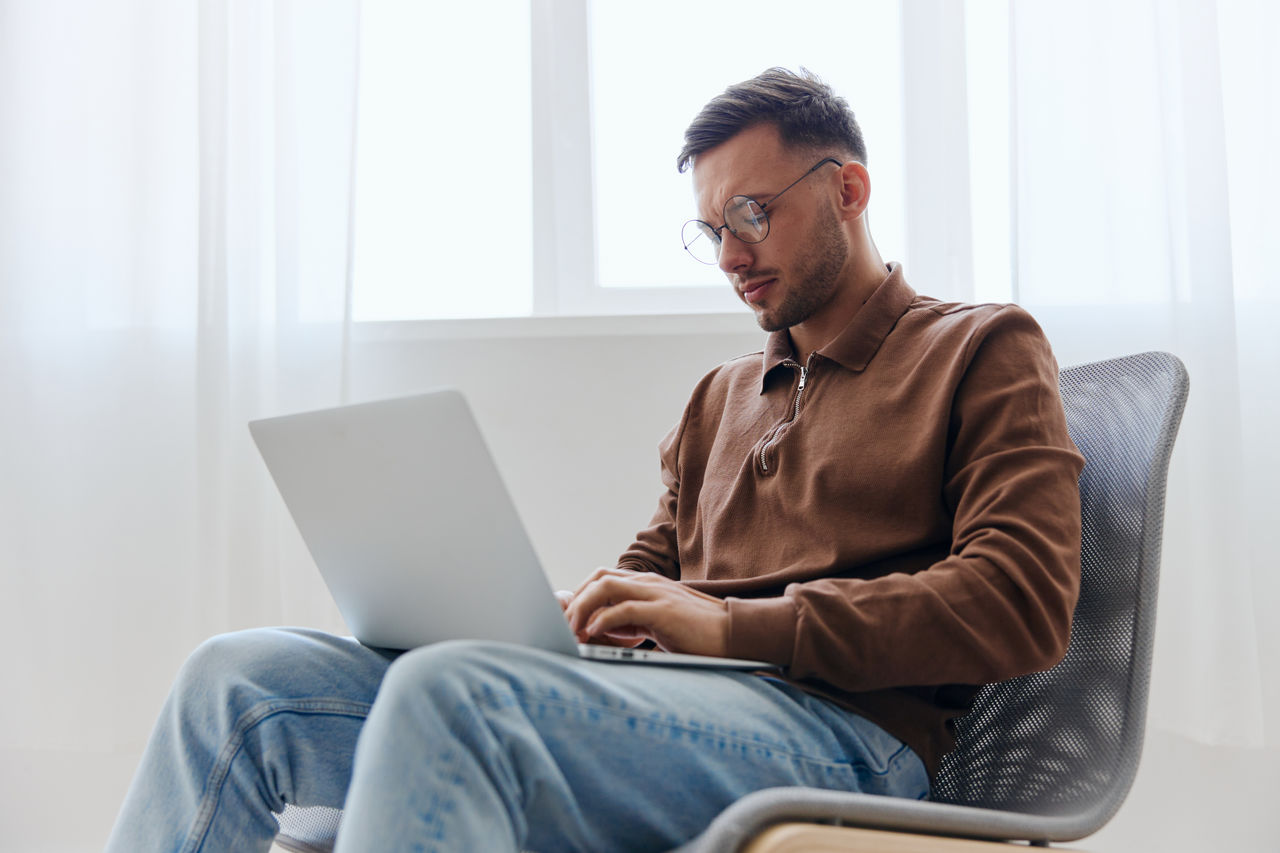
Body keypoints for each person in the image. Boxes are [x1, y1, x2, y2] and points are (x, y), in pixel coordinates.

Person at [106, 67, 1083, 853]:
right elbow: (647, 579)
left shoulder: (979, 348)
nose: (730, 255)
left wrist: (735, 626)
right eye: (710, 233)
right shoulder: (719, 397)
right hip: (679, 710)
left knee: (456, 698)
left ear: (848, 190)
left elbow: (1019, 602)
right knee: (237, 679)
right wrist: (562, 619)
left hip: (846, 741)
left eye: (750, 215)